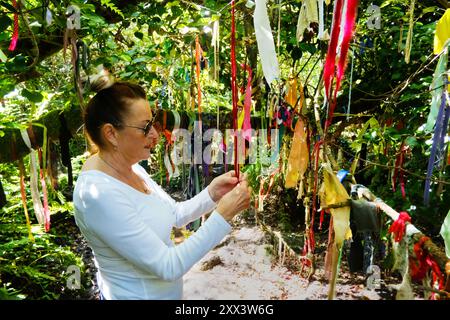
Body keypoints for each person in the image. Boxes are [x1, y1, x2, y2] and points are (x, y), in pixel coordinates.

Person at [73, 78, 251, 300]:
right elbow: (168, 266)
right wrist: (223, 216)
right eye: (145, 127)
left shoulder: (132, 167)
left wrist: (212, 194)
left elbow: (174, 213)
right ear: (111, 134)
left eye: (153, 124)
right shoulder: (97, 195)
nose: (155, 135)